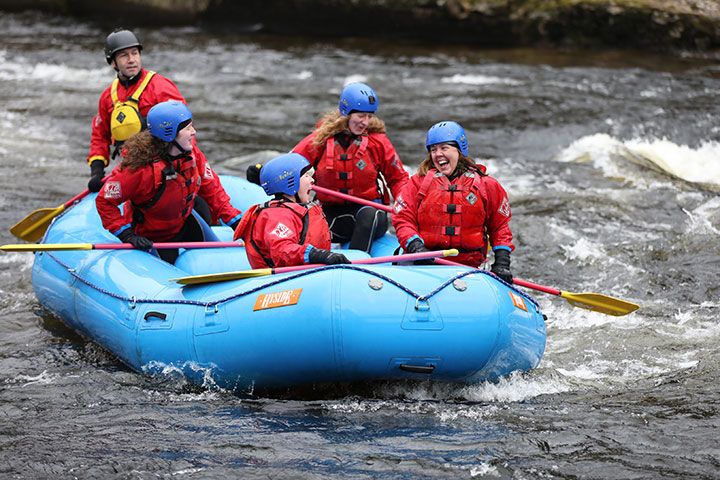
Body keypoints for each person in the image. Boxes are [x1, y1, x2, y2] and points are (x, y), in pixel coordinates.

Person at [249, 82, 408, 253]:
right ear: (347, 113)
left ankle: (355, 263)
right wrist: (264, 174)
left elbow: (398, 179)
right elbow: (291, 164)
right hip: (331, 213)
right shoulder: (321, 139)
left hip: (369, 212)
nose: (366, 122)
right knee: (308, 218)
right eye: (361, 116)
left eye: (370, 116)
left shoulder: (379, 142)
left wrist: (406, 206)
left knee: (369, 215)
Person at [96, 101, 242, 264]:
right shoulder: (138, 169)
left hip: (183, 223)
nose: (193, 132)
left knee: (221, 259)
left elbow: (212, 188)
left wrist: (236, 222)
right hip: (151, 237)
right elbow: (104, 202)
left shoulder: (191, 153)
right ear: (170, 134)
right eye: (188, 128)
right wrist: (127, 235)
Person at [392, 121, 515, 283]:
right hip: (424, 261)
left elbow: (499, 227)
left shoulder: (487, 185)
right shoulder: (417, 183)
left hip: (468, 266)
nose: (437, 154)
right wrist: (416, 246)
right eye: (433, 150)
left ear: (459, 150)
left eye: (444, 148)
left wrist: (502, 262)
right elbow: (403, 219)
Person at [86, 28, 186, 193]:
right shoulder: (107, 97)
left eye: (135, 53)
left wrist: (177, 164)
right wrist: (96, 172)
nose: (131, 59)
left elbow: (183, 127)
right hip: (130, 168)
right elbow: (100, 137)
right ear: (113, 62)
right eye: (124, 55)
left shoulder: (160, 87)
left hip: (164, 166)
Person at [235, 153, 350, 269]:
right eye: (306, 176)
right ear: (290, 182)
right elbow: (282, 250)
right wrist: (316, 255)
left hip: (308, 270)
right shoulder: (277, 215)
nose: (312, 180)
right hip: (283, 278)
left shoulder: (297, 208)